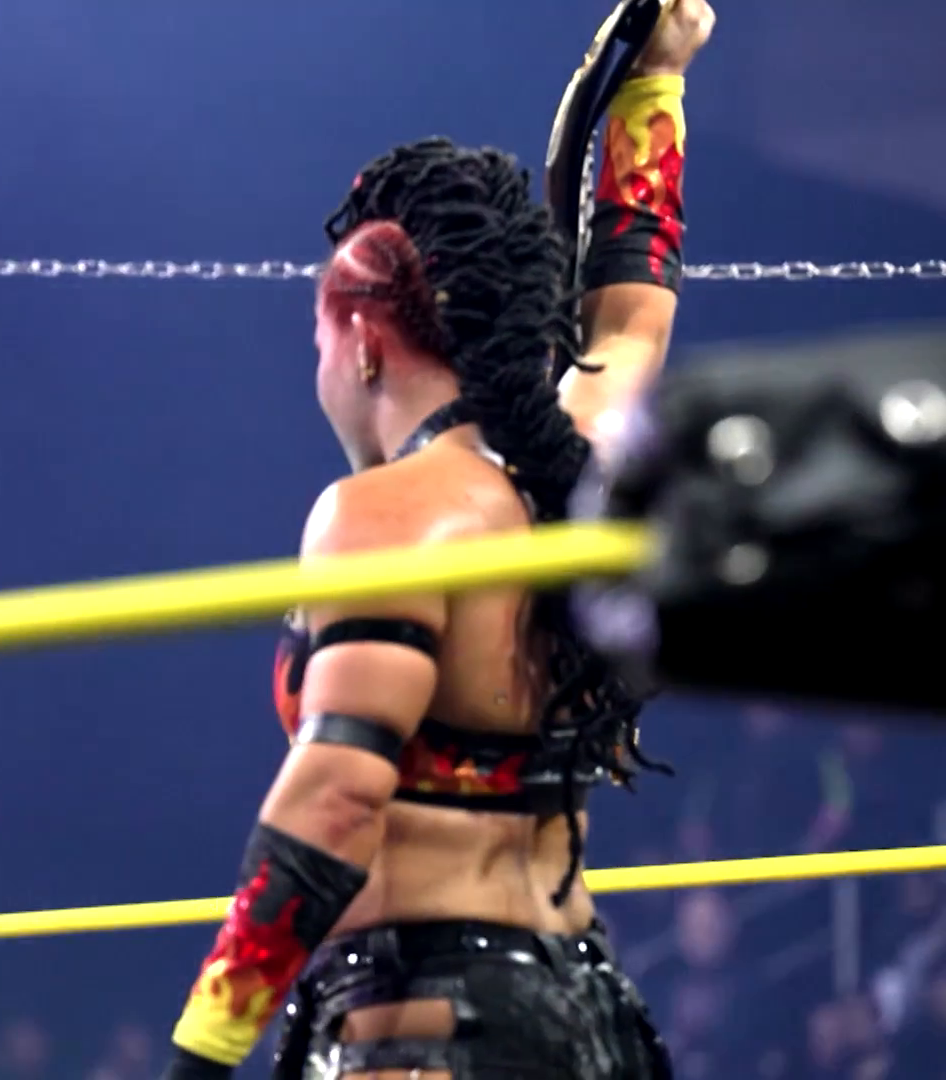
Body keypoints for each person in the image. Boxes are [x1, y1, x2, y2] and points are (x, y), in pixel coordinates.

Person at [156, 4, 714, 1077]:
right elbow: (631, 314)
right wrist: (658, 77)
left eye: (318, 339)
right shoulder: (577, 469)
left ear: (364, 341)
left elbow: (337, 797)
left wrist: (200, 1056)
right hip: (591, 1012)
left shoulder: (387, 513)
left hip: (425, 1025)